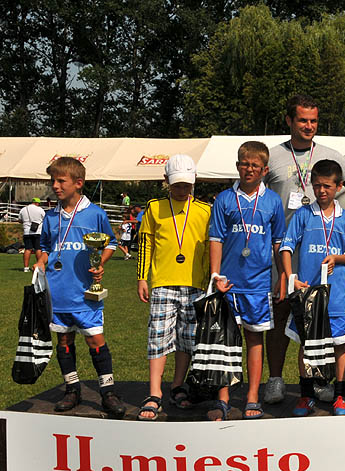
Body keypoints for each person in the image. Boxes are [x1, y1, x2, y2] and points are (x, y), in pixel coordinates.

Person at [264, 94, 345, 404]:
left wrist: (339, 225)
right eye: (302, 120)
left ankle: (321, 380)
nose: (308, 126)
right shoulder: (273, 156)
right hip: (283, 251)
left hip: (319, 252)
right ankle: (275, 379)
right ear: (289, 121)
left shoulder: (331, 156)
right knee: (281, 314)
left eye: (313, 121)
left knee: (322, 318)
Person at [33, 157, 124, 415]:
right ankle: (72, 389)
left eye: (61, 181)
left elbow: (110, 243)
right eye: (53, 181)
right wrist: (41, 262)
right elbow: (45, 247)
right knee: (64, 340)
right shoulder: (50, 216)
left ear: (78, 183)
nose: (55, 185)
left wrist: (100, 263)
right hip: (58, 291)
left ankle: (108, 392)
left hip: (85, 293)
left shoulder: (95, 213)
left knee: (95, 340)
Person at [208, 141, 286, 421]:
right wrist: (215, 275)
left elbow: (278, 243)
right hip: (228, 283)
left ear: (264, 170)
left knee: (254, 338)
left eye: (255, 165)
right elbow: (216, 239)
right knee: (225, 342)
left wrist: (282, 276)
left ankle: (253, 396)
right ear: (237, 166)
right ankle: (223, 398)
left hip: (258, 284)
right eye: (245, 164)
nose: (249, 169)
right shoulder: (224, 199)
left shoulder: (272, 201)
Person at [279, 159, 345, 416]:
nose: (321, 191)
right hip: (308, 294)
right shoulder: (303, 215)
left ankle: (341, 396)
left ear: (339, 186)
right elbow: (286, 247)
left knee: (339, 345)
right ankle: (306, 396)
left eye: (327, 186)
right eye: (317, 186)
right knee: (306, 345)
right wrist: (291, 277)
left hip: (337, 297)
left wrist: (338, 258)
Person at [135, 154, 211, 421]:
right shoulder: (154, 207)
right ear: (166, 180)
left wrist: (209, 281)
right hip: (162, 282)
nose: (181, 189)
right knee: (158, 336)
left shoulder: (205, 210)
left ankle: (178, 385)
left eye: (186, 185)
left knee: (187, 338)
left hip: (195, 285)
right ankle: (154, 392)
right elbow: (146, 243)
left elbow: (209, 249)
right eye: (176, 184)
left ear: (194, 181)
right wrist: (142, 278)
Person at [18, 197, 45, 272]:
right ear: (37, 203)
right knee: (38, 249)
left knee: (27, 249)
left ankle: (26, 268)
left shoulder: (23, 209)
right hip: (38, 231)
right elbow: (45, 218)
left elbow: (20, 220)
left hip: (27, 232)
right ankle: (39, 267)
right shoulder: (40, 210)